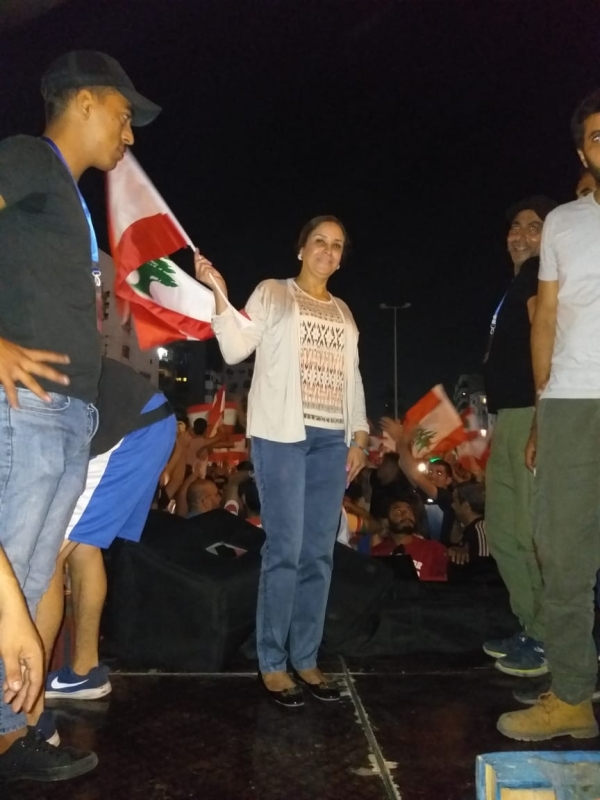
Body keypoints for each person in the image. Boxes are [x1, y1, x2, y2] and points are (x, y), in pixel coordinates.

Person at [0, 50, 160, 781]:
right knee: (11, 577)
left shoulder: (67, 196)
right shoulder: (28, 158)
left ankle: (10, 738)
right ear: (86, 100)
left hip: (68, 416)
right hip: (27, 410)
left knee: (32, 582)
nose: (129, 134)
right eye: (124, 116)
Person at [195, 215, 369, 707]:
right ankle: (272, 662)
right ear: (301, 248)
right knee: (286, 549)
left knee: (319, 552)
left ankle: (306, 657)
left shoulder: (344, 312)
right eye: (320, 241)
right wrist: (218, 292)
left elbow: (353, 377)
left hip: (331, 440)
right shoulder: (273, 292)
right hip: (281, 436)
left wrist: (359, 435)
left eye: (337, 245)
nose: (328, 251)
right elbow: (234, 348)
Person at [497, 90, 600, 741]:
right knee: (561, 554)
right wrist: (541, 411)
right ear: (582, 153)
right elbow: (547, 319)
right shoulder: (563, 223)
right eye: (595, 137)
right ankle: (572, 696)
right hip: (570, 402)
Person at [38, 359, 175, 712]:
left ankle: (24, 700)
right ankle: (85, 674)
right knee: (81, 548)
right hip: (138, 418)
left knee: (43, 555)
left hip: (128, 426)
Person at [481, 196, 557, 679]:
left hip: (531, 416)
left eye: (534, 226)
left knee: (530, 534)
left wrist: (541, 420)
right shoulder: (516, 284)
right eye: (515, 225)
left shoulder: (538, 278)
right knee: (504, 533)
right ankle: (532, 626)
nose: (521, 234)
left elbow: (548, 340)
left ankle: (553, 638)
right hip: (507, 418)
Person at [379, 419, 455, 544]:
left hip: (440, 553)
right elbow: (405, 466)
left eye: (439, 473)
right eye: (430, 471)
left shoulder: (447, 498)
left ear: (449, 480)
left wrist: (399, 439)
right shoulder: (423, 495)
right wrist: (406, 441)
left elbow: (415, 475)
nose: (432, 476)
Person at [371, 498, 449, 581]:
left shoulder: (435, 549)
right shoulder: (376, 553)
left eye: (409, 511)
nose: (406, 514)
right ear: (386, 521)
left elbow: (446, 583)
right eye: (398, 511)